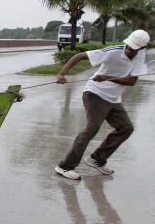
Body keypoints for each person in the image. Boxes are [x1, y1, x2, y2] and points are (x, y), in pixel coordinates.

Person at [53, 29, 150, 180]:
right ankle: (65, 166)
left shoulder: (142, 56)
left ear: (142, 48)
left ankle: (96, 159)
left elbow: (131, 81)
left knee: (126, 128)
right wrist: (61, 74)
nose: (129, 50)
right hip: (95, 93)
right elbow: (79, 56)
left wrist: (107, 77)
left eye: (133, 49)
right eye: (128, 46)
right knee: (93, 127)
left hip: (113, 98)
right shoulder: (113, 51)